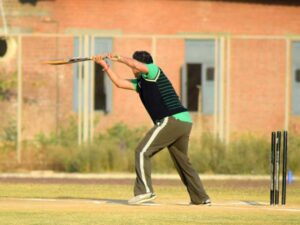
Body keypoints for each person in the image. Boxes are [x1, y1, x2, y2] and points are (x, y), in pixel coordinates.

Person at [93, 51, 210, 205]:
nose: (132, 67)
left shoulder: (154, 70)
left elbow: (134, 64)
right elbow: (120, 83)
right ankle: (201, 198)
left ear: (142, 65)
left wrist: (120, 58)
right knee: (183, 162)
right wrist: (105, 66)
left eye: (135, 64)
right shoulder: (140, 83)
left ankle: (145, 191)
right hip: (183, 122)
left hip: (172, 119)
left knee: (142, 151)